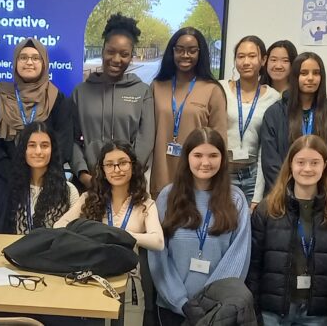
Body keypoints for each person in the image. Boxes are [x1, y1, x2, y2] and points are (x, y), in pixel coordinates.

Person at [247, 135, 327, 326]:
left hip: (316, 314)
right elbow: (253, 268)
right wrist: (254, 314)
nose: (307, 168)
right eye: (301, 162)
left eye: (314, 162)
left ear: (325, 165)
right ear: (290, 164)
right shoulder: (268, 210)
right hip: (272, 312)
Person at [149, 128, 251, 325]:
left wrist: (211, 303)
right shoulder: (167, 197)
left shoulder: (236, 199)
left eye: (213, 155)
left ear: (223, 159)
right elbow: (158, 256)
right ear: (187, 157)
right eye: (198, 155)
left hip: (218, 312)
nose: (205, 162)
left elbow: (238, 257)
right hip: (172, 308)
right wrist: (181, 302)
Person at [72, 13, 155, 191]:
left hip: (128, 185)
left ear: (131, 56)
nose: (116, 59)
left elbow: (145, 140)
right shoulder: (81, 92)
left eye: (124, 54)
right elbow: (72, 140)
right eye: (111, 52)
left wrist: (127, 175)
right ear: (102, 51)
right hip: (89, 185)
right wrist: (83, 174)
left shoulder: (142, 91)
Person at [150, 27, 227, 197]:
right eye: (180, 50)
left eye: (192, 51)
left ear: (200, 54)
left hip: (198, 177)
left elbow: (220, 140)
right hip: (161, 174)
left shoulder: (212, 89)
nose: (186, 55)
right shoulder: (157, 86)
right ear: (173, 52)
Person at [258, 52, 327, 195]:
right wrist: (289, 194)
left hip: (324, 199)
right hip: (283, 197)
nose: (310, 78)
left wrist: (322, 195)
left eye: (316, 73)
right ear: (294, 77)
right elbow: (270, 162)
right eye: (304, 73)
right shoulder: (275, 114)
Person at [0, 37, 74, 181]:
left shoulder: (58, 99)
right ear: (15, 62)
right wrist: (11, 173)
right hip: (5, 181)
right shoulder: (1, 98)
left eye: (35, 58)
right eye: (23, 57)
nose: (29, 62)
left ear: (44, 63)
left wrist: (39, 172)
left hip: (47, 180)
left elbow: (64, 144)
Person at [55, 141, 164, 251]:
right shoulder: (88, 198)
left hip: (128, 266)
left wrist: (120, 235)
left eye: (123, 163)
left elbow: (158, 242)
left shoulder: (145, 203)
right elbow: (59, 225)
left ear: (133, 166)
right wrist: (86, 235)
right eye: (109, 165)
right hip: (90, 264)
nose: (116, 170)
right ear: (103, 170)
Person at [222, 36, 281, 207]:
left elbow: (266, 149)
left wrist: (257, 195)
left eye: (252, 56)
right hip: (223, 174)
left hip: (253, 176)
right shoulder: (221, 89)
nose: (246, 62)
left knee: (251, 228)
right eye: (240, 56)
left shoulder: (273, 97)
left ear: (263, 60)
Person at [9, 121, 80, 234]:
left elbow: (75, 234)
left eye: (44, 146)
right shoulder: (12, 189)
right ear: (23, 150)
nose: (38, 151)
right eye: (32, 145)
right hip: (16, 249)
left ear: (53, 150)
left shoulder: (68, 191)